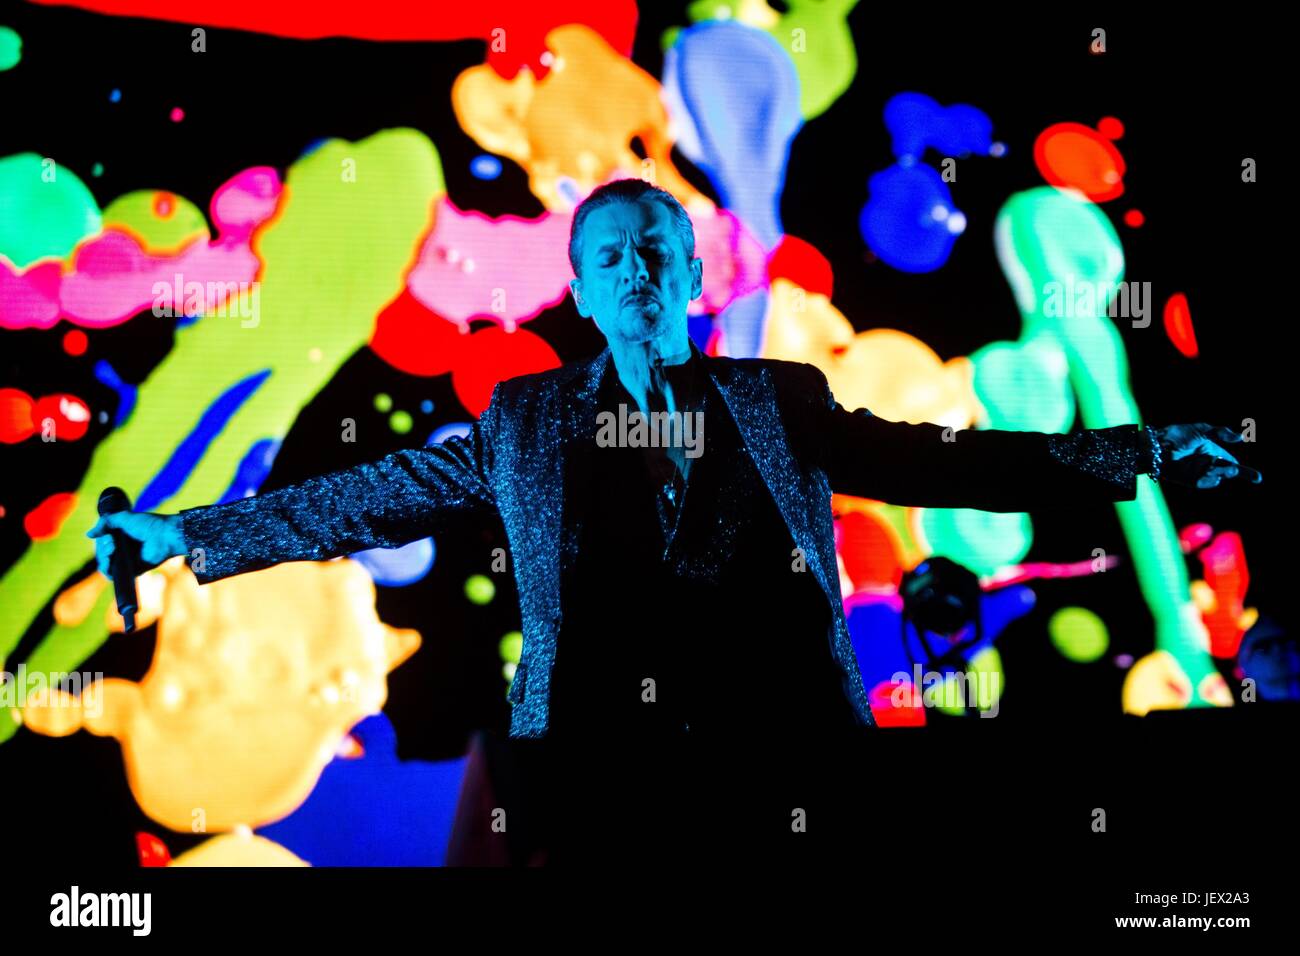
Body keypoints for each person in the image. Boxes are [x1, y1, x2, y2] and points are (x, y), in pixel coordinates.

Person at [87, 178, 1261, 862]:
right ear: (585, 289)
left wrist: (1139, 449)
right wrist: (186, 535)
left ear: (689, 272)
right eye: (610, 254)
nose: (636, 266)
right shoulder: (526, 419)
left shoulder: (778, 400)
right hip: (595, 793)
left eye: (656, 247)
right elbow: (370, 494)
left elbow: (940, 459)